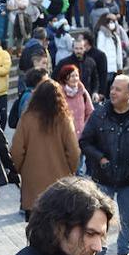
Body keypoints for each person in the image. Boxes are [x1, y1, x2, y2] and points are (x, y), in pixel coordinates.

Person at [81, 75, 129, 255]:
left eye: (118, 89)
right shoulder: (99, 114)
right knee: (101, 220)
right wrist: (100, 158)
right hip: (103, 179)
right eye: (112, 88)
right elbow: (84, 142)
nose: (112, 92)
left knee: (127, 220)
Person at [11, 80, 82, 220]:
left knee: (35, 227)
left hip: (32, 182)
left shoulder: (27, 118)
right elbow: (74, 151)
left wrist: (20, 170)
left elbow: (17, 150)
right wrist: (70, 170)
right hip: (59, 182)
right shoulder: (64, 119)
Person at [56, 64, 95, 138]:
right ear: (65, 78)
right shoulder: (58, 94)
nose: (75, 78)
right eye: (72, 76)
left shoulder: (83, 92)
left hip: (82, 137)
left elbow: (90, 113)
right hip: (65, 137)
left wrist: (85, 128)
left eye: (77, 76)